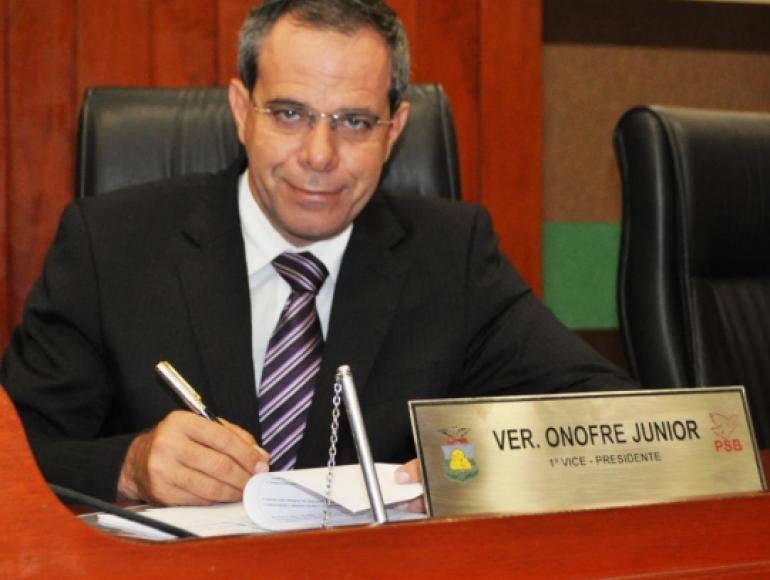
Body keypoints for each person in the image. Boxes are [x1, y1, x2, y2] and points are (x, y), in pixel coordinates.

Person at [1, 0, 634, 506]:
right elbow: (15, 453)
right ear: (241, 111)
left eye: (354, 122)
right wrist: (129, 468)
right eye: (290, 113)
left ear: (394, 131)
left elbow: (609, 411)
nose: (320, 155)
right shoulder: (109, 245)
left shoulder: (453, 256)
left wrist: (482, 456)